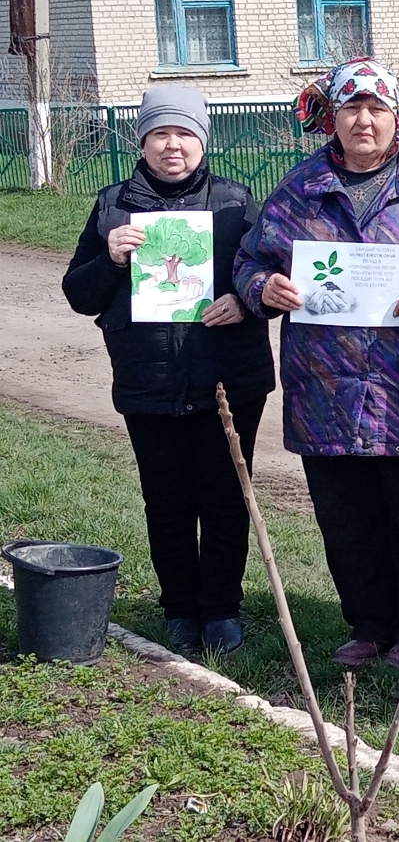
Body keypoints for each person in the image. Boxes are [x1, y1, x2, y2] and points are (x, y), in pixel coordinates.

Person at [233, 58, 399, 668]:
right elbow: (249, 261)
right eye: (352, 108)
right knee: (347, 521)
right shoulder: (300, 192)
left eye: (377, 109)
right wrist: (263, 287)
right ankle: (370, 625)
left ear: (396, 116)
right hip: (327, 390)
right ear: (334, 118)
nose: (365, 120)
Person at [62, 84, 274, 655]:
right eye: (160, 133)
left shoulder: (235, 203)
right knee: (167, 498)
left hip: (229, 379)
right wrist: (109, 257)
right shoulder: (112, 205)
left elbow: (270, 276)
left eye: (184, 134)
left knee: (227, 496)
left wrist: (245, 300)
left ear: (202, 141)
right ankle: (180, 608)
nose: (172, 146)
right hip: (147, 377)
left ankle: (222, 611)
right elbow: (79, 295)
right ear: (143, 141)